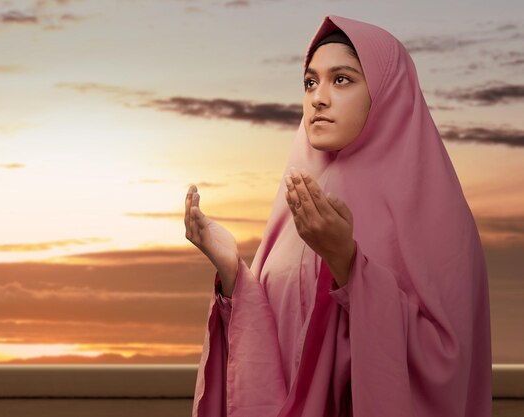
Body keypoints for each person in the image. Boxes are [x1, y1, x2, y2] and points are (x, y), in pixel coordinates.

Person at [184, 14, 492, 417]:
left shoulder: (437, 213)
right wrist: (232, 275)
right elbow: (269, 363)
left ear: (385, 92)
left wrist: (348, 266)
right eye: (310, 82)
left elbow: (447, 365)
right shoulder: (298, 203)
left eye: (341, 79)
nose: (318, 98)